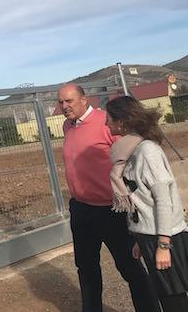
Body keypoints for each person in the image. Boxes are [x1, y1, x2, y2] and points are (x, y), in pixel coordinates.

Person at [58, 83, 160, 312]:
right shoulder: (67, 126)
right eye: (61, 102)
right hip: (81, 209)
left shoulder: (107, 122)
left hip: (112, 210)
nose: (64, 106)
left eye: (69, 101)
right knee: (86, 268)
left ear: (84, 99)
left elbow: (132, 157)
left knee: (129, 267)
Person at [106, 96, 188, 311]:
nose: (105, 123)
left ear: (121, 122)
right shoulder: (130, 152)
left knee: (174, 302)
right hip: (149, 236)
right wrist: (140, 238)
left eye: (108, 118)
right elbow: (141, 199)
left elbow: (163, 200)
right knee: (168, 298)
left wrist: (163, 245)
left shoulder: (147, 151)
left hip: (163, 238)